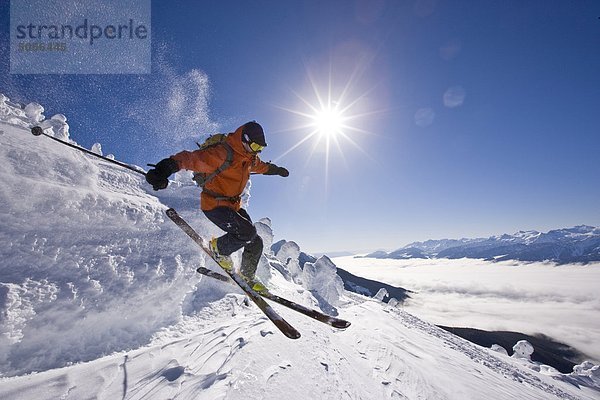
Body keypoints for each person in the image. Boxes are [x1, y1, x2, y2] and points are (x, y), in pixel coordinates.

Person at [145, 121, 289, 293]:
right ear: (244, 140)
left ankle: (246, 277)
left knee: (255, 241)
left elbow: (262, 166)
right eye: (255, 146)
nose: (257, 151)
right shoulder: (222, 153)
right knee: (246, 233)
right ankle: (218, 249)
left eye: (261, 148)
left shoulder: (250, 158)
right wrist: (163, 170)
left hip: (232, 205)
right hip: (214, 205)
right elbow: (189, 159)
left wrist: (276, 170)